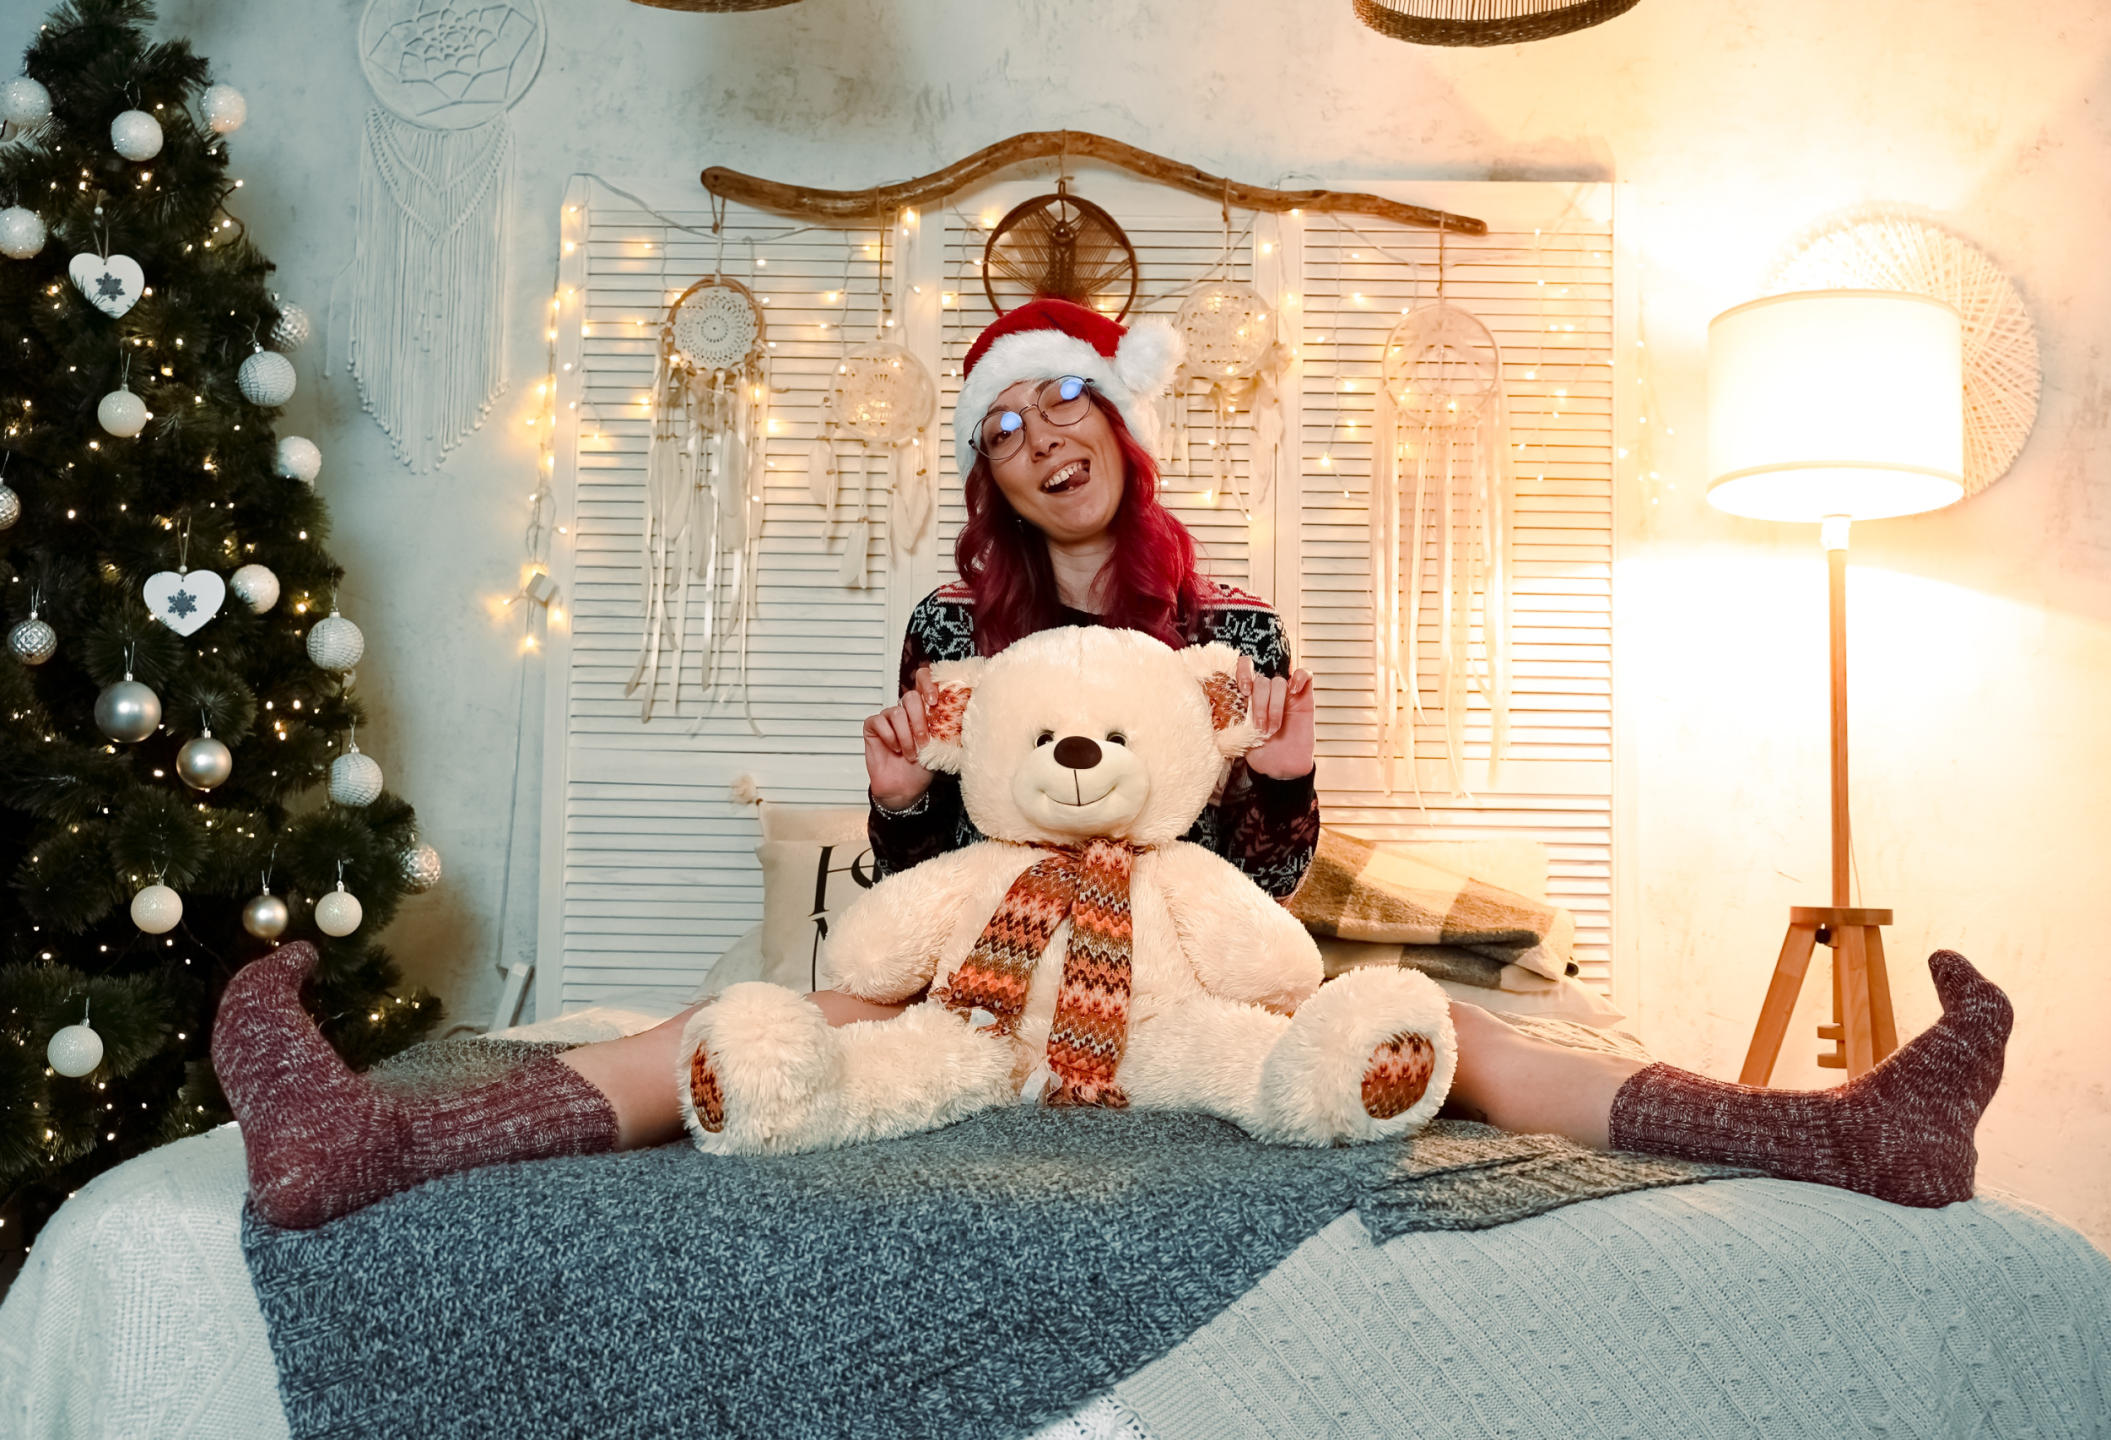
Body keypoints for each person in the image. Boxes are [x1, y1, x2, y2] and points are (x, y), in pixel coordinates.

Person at [211, 299, 2013, 1230]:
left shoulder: (1235, 630)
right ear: (988, 475)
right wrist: (899, 804)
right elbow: (912, 898)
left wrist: (1282, 780)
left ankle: (1843, 1134)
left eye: (1064, 404)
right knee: (738, 1025)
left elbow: (1268, 904)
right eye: (1002, 429)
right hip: (981, 980)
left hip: (1181, 982)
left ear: (1122, 430)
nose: (1039, 441)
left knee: (1458, 1037)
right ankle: (379, 1144)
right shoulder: (947, 628)